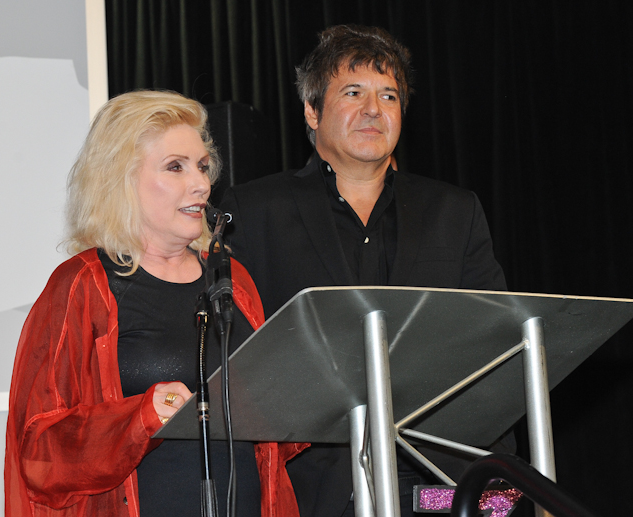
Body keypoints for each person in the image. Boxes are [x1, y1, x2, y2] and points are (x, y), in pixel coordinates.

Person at [219, 25, 513, 517]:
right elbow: (239, 361)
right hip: (314, 488)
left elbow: (498, 342)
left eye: (389, 95)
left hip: (442, 486)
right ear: (312, 111)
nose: (374, 109)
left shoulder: (454, 211)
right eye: (353, 93)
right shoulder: (253, 212)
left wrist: (498, 496)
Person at [4, 90, 306, 517]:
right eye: (175, 167)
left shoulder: (231, 279)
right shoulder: (82, 285)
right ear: (120, 179)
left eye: (202, 166)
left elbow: (272, 438)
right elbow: (39, 451)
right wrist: (139, 417)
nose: (201, 183)